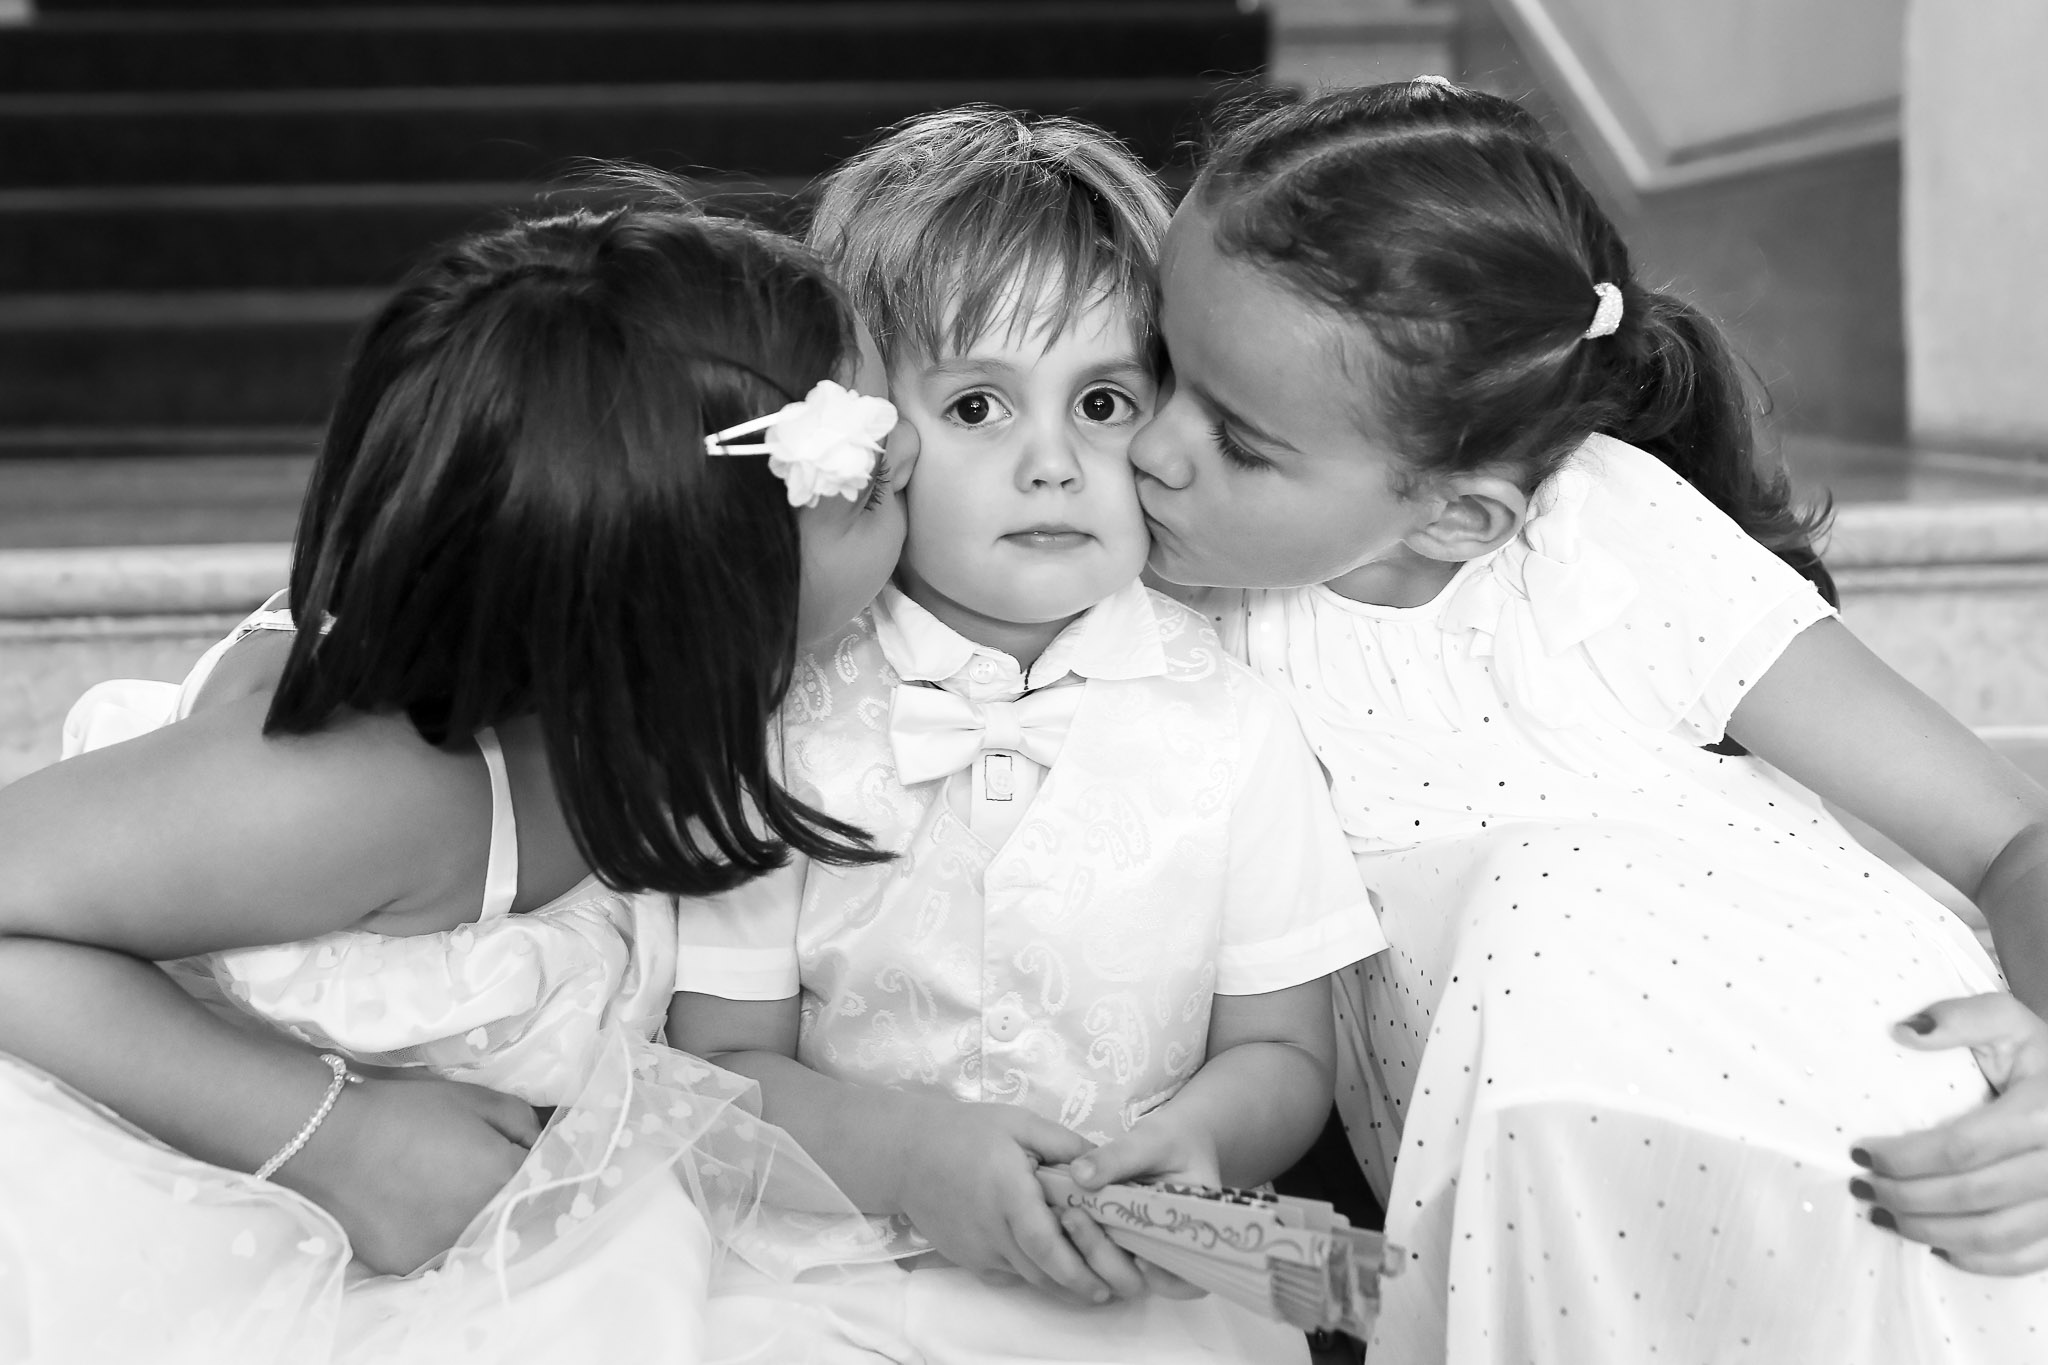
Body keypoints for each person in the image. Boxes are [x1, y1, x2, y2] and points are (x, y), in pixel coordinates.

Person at [1127, 79, 2048, 1362]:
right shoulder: (1164, 625)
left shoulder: (1600, 540)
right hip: (1554, 1226)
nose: (1149, 448)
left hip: (1876, 1112)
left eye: (1238, 437)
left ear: (1457, 515)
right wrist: (1163, 1229)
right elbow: (1387, 1279)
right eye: (1158, 364)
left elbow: (2009, 836)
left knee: (1544, 891)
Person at [0, 193, 917, 1362]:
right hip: (165, 1182)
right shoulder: (379, 788)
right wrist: (330, 1139)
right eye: (877, 479)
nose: (919, 461)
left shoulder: (655, 699)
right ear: (702, 589)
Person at [668, 107, 1388, 1363]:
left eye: (1103, 400)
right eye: (978, 407)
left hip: (1134, 1281)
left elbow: (1279, 1045)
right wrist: (904, 1154)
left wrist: (1206, 1141)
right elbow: (720, 1062)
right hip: (824, 1271)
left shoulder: (1232, 719)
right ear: (861, 437)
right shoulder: (775, 715)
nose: (1052, 461)